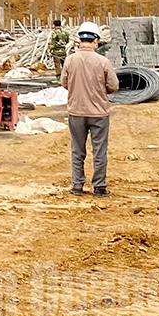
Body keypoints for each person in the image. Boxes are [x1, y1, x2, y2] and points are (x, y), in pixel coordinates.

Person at [62, 20, 119, 196]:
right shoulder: (103, 61)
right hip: (98, 113)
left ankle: (77, 186)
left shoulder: (70, 60)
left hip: (76, 112)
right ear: (96, 40)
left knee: (77, 150)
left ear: (80, 40)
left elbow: (64, 83)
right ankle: (99, 187)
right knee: (99, 151)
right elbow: (114, 86)